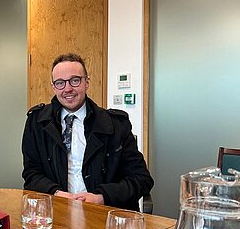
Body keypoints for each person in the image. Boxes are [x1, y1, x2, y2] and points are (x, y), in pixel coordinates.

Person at [22, 53, 153, 211]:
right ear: (53, 87)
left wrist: (101, 197)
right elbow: (32, 174)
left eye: (75, 80)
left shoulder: (117, 125)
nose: (68, 88)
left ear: (87, 83)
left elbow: (141, 179)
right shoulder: (36, 122)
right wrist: (56, 194)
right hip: (56, 211)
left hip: (104, 213)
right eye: (60, 83)